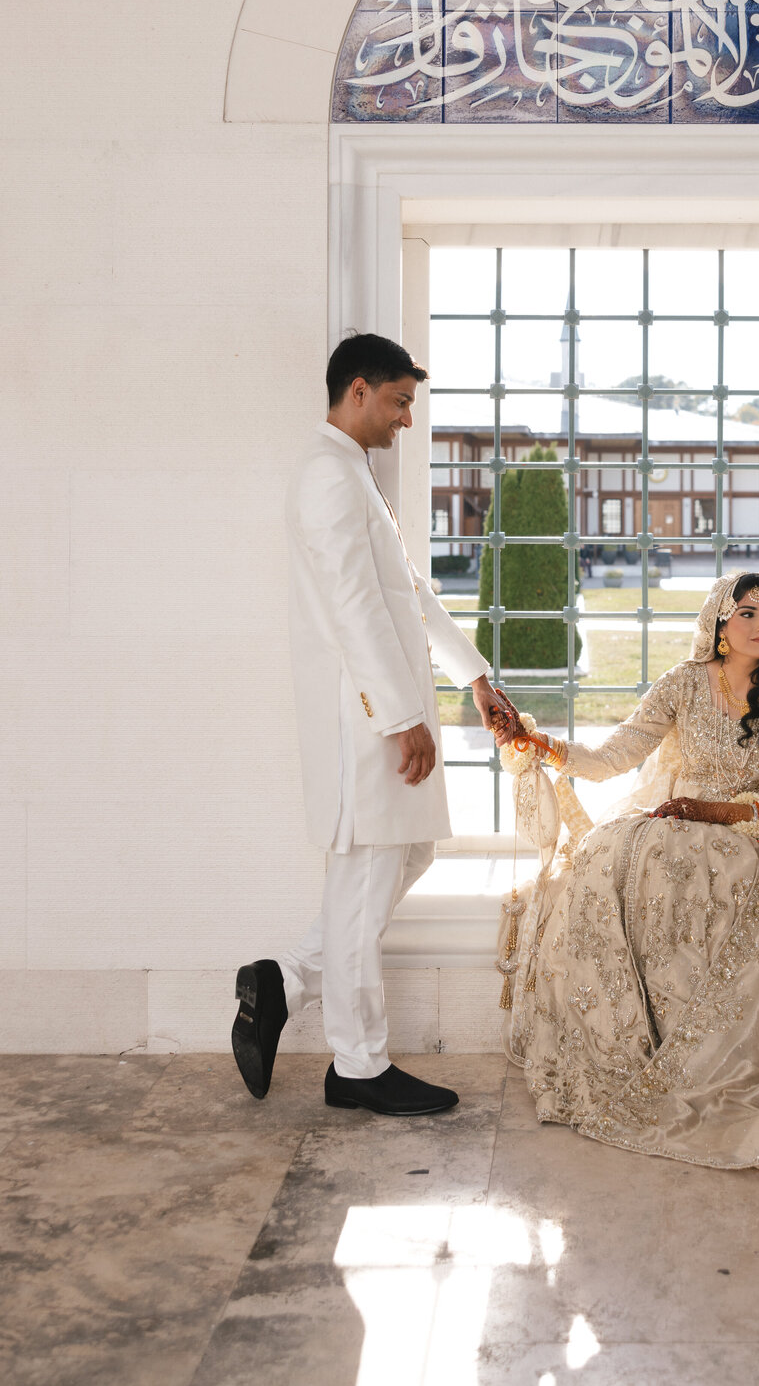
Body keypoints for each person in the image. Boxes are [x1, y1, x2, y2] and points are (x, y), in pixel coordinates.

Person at [491, 571, 759, 1171]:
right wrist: (543, 745)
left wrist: (711, 811)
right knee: (605, 858)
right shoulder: (682, 685)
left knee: (705, 874)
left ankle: (705, 1052)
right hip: (668, 820)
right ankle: (627, 1046)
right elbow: (615, 757)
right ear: (720, 627)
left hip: (747, 832)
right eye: (747, 614)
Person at [232, 334, 505, 1117]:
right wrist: (403, 716)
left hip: (379, 715)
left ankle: (282, 980)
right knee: (364, 881)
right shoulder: (327, 475)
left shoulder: (351, 473)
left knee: (405, 854)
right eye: (399, 401)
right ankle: (357, 1064)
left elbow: (407, 592)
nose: (406, 419)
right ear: (358, 390)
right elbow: (353, 606)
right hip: (364, 722)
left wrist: (474, 674)